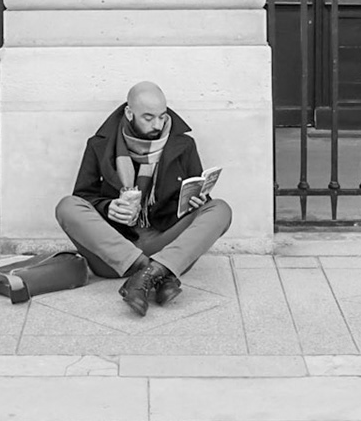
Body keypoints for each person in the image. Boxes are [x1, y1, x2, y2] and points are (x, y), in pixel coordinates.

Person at [53, 81, 232, 316]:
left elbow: (196, 195)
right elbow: (83, 196)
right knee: (66, 206)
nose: (157, 125)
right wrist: (108, 208)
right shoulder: (99, 145)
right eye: (148, 117)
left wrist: (197, 203)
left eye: (162, 116)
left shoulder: (183, 145)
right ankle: (152, 272)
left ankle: (150, 273)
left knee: (221, 209)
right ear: (129, 113)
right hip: (114, 250)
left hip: (165, 244)